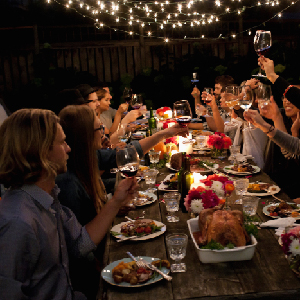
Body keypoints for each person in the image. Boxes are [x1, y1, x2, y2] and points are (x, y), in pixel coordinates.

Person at [0, 108, 138, 299]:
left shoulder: (47, 197)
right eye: (62, 142)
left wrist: (116, 201)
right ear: (42, 152)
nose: (69, 148)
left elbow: (79, 244)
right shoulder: (18, 221)